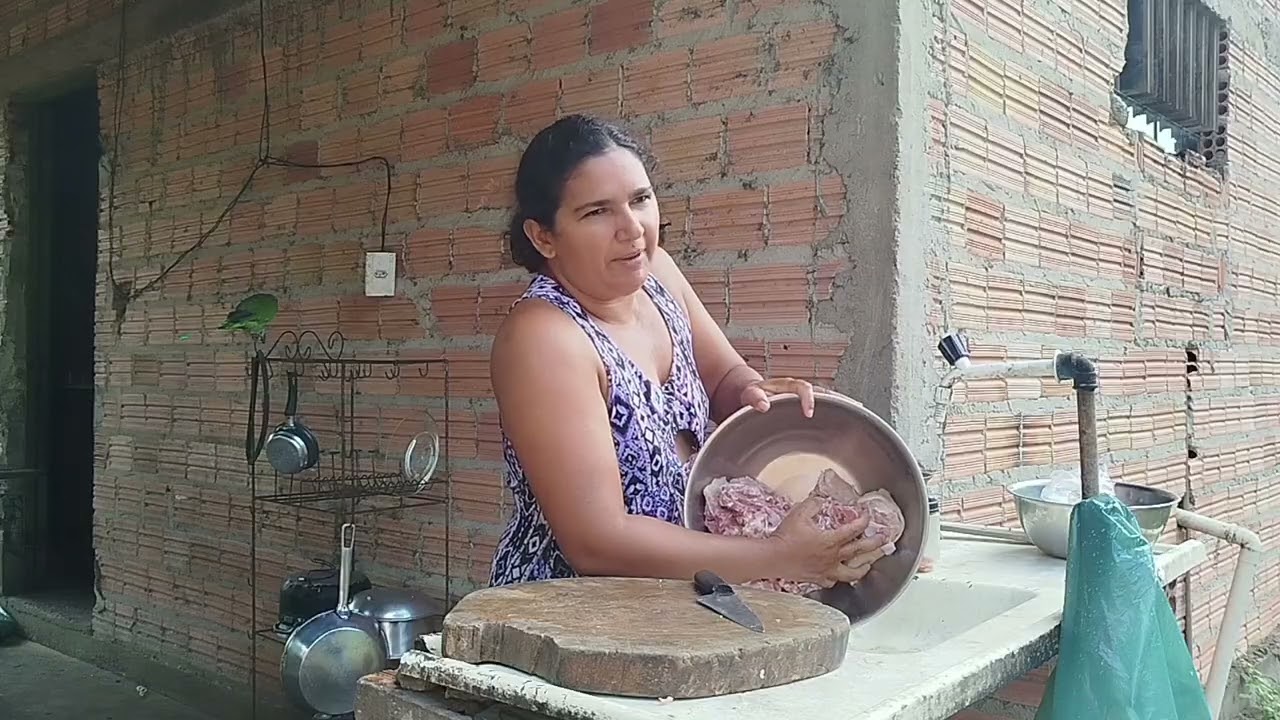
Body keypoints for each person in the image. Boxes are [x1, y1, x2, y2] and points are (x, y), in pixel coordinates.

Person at [487, 114, 887, 590]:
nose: (632, 228)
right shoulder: (544, 337)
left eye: (640, 199)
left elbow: (722, 379)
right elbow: (596, 541)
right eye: (597, 212)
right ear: (543, 237)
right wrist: (778, 555)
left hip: (685, 594)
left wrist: (755, 395)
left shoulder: (657, 274)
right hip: (574, 615)